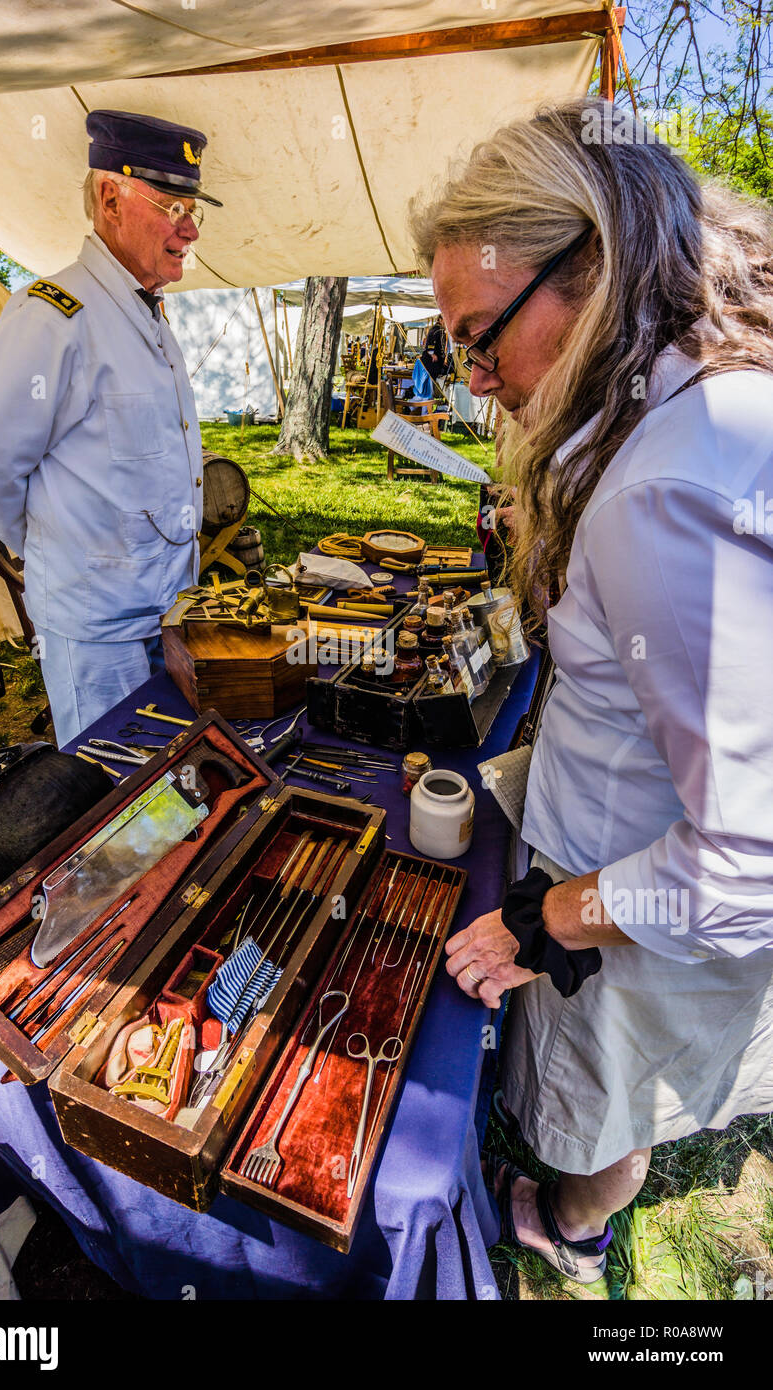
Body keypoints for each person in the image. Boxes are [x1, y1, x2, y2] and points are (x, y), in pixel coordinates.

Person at [411, 98, 773, 1284]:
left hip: (628, 893)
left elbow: (742, 857)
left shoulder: (659, 493)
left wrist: (546, 919)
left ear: (590, 273)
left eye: (480, 336)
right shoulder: (697, 409)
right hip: (625, 849)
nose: (472, 380)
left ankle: (568, 1228)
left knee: (609, 1104)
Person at [0, 109, 223, 746]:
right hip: (99, 632)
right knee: (112, 804)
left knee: (167, 794)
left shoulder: (145, 314)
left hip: (166, 616)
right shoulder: (53, 316)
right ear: (109, 198)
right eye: (171, 206)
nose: (189, 230)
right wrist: (48, 544)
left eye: (194, 209)